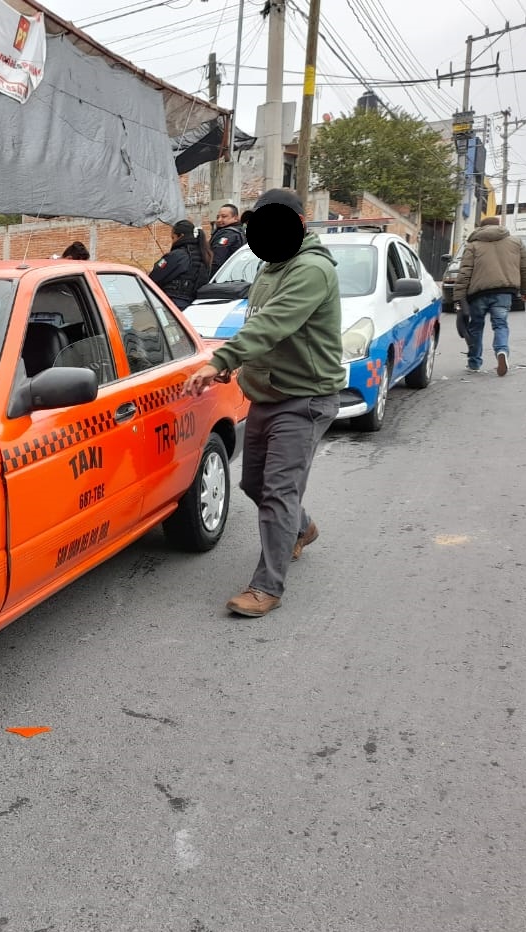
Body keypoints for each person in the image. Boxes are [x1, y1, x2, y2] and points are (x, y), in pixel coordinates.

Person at [183, 188, 345, 618]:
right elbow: (255, 324)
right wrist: (230, 367)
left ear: (299, 223)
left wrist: (223, 357)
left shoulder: (310, 270)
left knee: (276, 492)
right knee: (254, 484)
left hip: (304, 397)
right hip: (267, 394)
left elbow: (274, 324)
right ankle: (302, 527)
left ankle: (266, 587)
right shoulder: (271, 267)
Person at [454, 216, 526, 376]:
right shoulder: (516, 242)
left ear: (480, 228)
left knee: (476, 327)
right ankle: (502, 351)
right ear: (499, 226)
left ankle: (474, 363)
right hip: (504, 292)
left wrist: (459, 296)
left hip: (477, 293)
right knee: (500, 324)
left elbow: (464, 272)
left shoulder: (473, 245)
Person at [148, 220, 212, 310]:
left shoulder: (177, 255)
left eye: (173, 238)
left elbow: (154, 277)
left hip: (172, 304)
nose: (172, 241)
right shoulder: (204, 255)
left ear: (181, 236)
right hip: (193, 305)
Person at [209, 203, 246, 273]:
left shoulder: (228, 234)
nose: (219, 220)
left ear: (235, 218)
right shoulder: (240, 231)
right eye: (218, 217)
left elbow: (217, 260)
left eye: (224, 216)